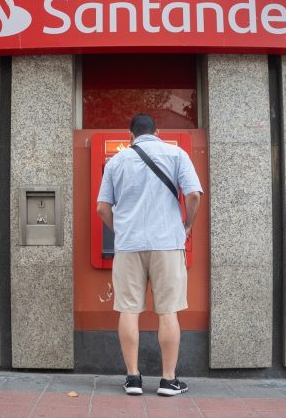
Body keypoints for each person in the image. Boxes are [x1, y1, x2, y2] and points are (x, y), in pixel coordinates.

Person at [96, 114, 203, 397]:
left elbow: (102, 208)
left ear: (130, 135)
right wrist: (187, 225)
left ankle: (133, 378)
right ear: (157, 132)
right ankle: (168, 380)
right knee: (168, 311)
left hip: (129, 245)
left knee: (128, 310)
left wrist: (121, 231)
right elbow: (194, 195)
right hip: (167, 242)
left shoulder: (116, 161)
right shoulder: (176, 154)